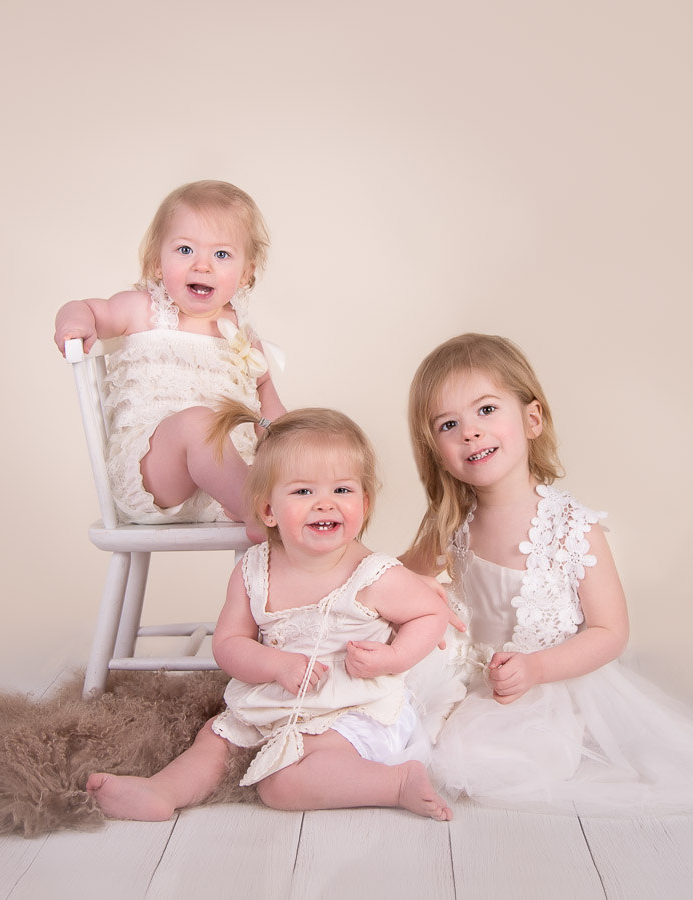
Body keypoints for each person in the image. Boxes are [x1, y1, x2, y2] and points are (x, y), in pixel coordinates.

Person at [404, 333, 693, 815]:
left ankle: (569, 738)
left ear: (532, 418)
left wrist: (536, 669)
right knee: (398, 728)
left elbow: (610, 632)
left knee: (477, 759)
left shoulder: (573, 529)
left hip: (548, 684)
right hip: (469, 678)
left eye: (486, 410)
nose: (470, 433)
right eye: (448, 424)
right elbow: (394, 579)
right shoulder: (450, 525)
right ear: (436, 448)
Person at [87, 406, 454, 821]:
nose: (324, 504)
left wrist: (393, 658)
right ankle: (163, 790)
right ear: (268, 511)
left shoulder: (373, 574)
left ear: (364, 503)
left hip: (354, 707)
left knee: (282, 783)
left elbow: (429, 614)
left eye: (342, 490)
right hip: (277, 697)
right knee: (215, 738)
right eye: (302, 492)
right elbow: (228, 644)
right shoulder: (253, 571)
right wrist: (275, 664)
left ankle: (396, 782)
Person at [53, 180, 285, 536]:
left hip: (224, 488)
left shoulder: (241, 335)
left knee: (308, 447)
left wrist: (288, 445)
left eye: (221, 255)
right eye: (185, 250)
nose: (202, 266)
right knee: (199, 423)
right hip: (155, 479)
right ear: (156, 263)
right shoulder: (141, 310)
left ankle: (262, 508)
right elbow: (86, 308)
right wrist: (76, 320)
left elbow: (270, 414)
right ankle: (260, 513)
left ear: (246, 273)